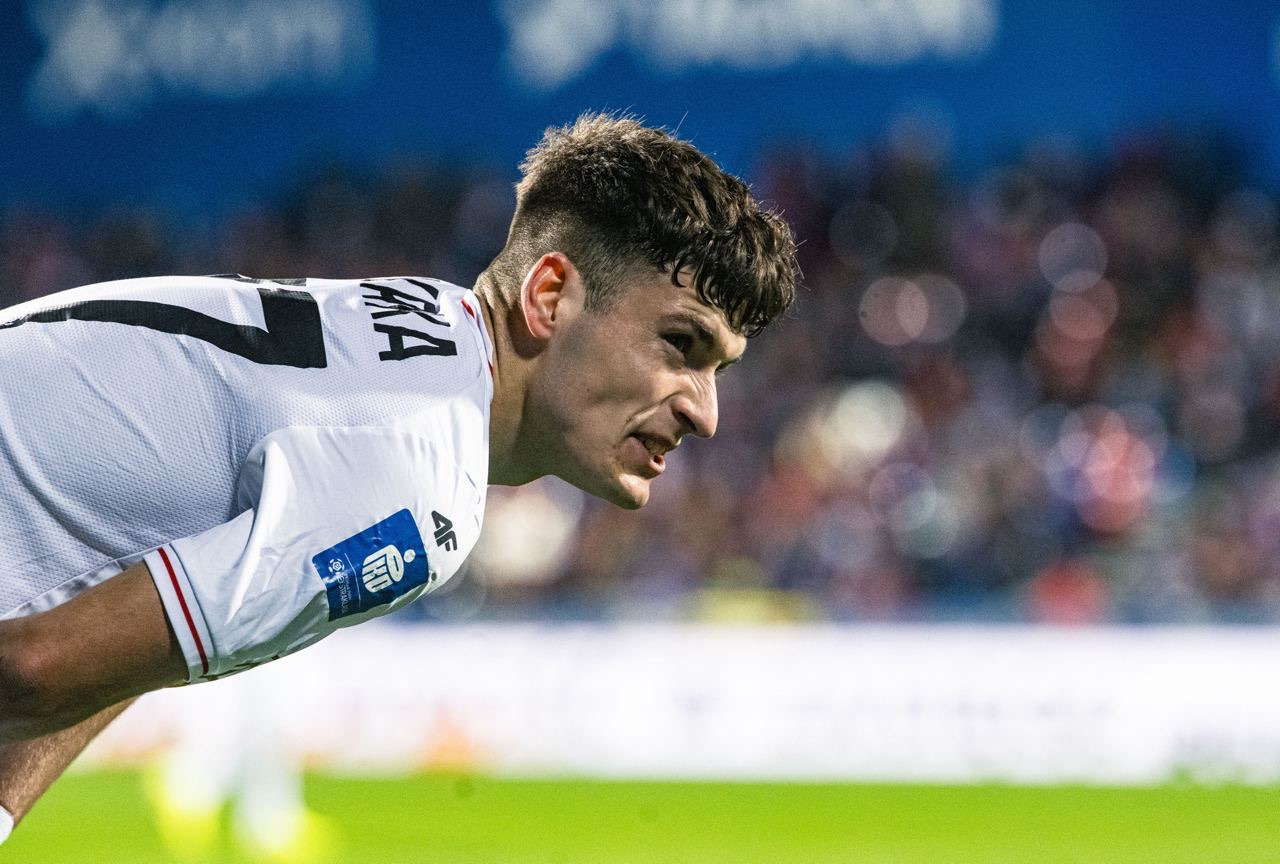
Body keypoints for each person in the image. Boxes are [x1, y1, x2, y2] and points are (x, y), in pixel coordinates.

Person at [0, 113, 798, 841]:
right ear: (550, 295)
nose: (705, 412)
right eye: (681, 345)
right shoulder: (421, 480)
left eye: (719, 370)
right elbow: (32, 672)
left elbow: (106, 640)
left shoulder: (424, 327)